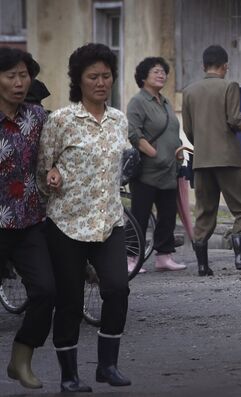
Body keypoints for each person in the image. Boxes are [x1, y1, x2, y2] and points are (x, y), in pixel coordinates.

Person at [38, 43, 131, 392]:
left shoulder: (119, 120)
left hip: (109, 221)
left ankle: (107, 365)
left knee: (118, 290)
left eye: (106, 76)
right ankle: (69, 376)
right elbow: (41, 170)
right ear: (79, 80)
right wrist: (52, 176)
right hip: (66, 223)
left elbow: (122, 163)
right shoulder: (61, 121)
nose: (101, 82)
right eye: (93, 76)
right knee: (70, 301)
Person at [0, 47, 55, 390]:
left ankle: (21, 358)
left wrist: (56, 172)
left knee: (46, 292)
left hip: (29, 220)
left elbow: (55, 155)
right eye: (10, 76)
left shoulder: (38, 117)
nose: (19, 83)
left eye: (24, 75)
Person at [182, 44, 241, 275]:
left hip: (202, 159)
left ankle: (203, 266)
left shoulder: (189, 91)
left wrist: (203, 146)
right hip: (228, 158)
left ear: (203, 66)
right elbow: (235, 120)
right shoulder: (230, 86)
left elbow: (188, 130)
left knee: (205, 211)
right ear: (225, 66)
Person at [126, 57, 186, 272]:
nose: (161, 75)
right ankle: (131, 259)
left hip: (170, 169)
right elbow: (133, 132)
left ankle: (164, 256)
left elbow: (171, 130)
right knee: (140, 215)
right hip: (147, 170)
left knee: (168, 214)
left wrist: (177, 150)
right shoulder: (138, 102)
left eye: (163, 72)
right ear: (144, 77)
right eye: (156, 72)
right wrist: (154, 152)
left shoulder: (166, 101)